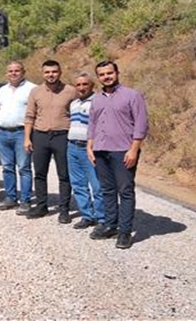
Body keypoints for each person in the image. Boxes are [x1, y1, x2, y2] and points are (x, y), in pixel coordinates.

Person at [87, 61, 149, 249]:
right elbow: (92, 124)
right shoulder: (96, 99)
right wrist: (90, 146)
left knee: (125, 190)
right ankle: (110, 225)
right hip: (100, 149)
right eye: (102, 74)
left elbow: (141, 124)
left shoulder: (132, 95)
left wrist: (134, 149)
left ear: (117, 73)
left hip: (123, 150)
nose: (106, 77)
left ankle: (124, 232)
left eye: (109, 73)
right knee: (107, 190)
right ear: (98, 77)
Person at [24, 60, 78, 223]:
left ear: (60, 72)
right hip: (40, 135)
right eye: (47, 72)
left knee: (64, 175)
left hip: (63, 136)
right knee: (40, 173)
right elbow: (29, 116)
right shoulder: (35, 91)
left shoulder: (71, 91)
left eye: (54, 71)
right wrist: (27, 138)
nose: (51, 75)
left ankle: (64, 210)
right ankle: (41, 206)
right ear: (43, 73)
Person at [0, 61, 36, 213]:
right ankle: (10, 197)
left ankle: (25, 200)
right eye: (10, 71)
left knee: (24, 168)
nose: (13, 73)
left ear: (23, 72)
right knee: (7, 168)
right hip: (3, 132)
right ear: (6, 73)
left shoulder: (32, 89)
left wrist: (29, 136)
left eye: (17, 70)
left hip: (21, 132)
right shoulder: (2, 90)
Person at [68, 71, 105, 230]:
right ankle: (87, 215)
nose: (81, 87)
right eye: (78, 85)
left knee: (97, 186)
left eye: (85, 84)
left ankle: (102, 218)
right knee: (78, 184)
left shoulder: (98, 101)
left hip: (90, 148)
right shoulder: (74, 103)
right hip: (72, 146)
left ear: (92, 85)